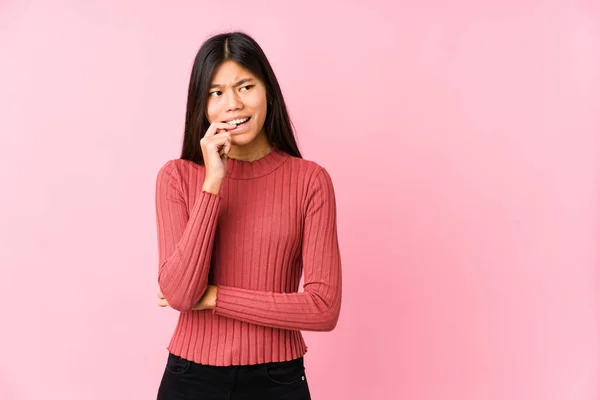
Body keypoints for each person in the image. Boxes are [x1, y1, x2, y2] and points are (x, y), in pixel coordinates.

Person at [154, 31, 342, 400]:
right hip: (190, 379)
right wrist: (213, 183)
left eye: (245, 86)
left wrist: (211, 298)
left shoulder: (310, 181)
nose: (233, 104)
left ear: (267, 91)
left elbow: (322, 308)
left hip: (277, 381)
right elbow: (179, 294)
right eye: (216, 92)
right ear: (201, 105)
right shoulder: (177, 177)